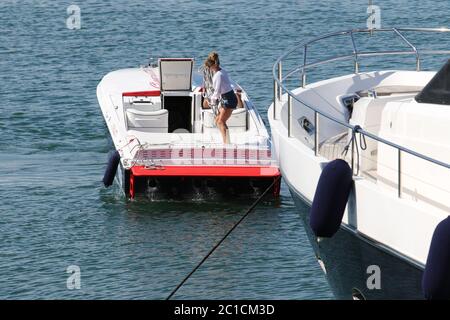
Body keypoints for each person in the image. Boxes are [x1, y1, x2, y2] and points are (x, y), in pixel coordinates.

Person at [203, 52, 238, 144]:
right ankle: (227, 140)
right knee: (218, 120)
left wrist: (211, 101)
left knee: (220, 121)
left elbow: (217, 91)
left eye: (209, 68)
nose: (208, 70)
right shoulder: (222, 71)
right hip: (227, 97)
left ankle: (226, 143)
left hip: (229, 99)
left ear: (213, 66)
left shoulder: (217, 76)